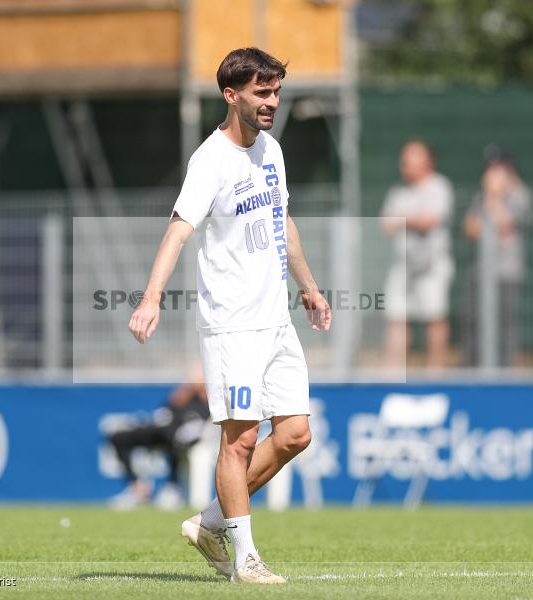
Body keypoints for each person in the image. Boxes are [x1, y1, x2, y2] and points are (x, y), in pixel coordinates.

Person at [128, 47, 331, 584]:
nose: (272, 102)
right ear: (231, 94)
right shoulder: (210, 161)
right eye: (262, 93)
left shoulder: (272, 150)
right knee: (238, 441)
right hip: (232, 325)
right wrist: (151, 298)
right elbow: (177, 230)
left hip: (277, 320)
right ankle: (245, 559)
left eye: (277, 92)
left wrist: (309, 288)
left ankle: (212, 522)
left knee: (294, 434)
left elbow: (282, 222)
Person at [380, 140, 454, 370]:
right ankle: (393, 372)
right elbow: (386, 222)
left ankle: (435, 372)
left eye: (412, 157)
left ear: (427, 161)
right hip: (402, 265)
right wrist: (412, 219)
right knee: (396, 318)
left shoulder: (439, 187)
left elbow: (429, 221)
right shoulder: (398, 191)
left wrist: (403, 219)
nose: (405, 163)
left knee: (435, 317)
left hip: (432, 264)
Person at [461, 148, 533, 367]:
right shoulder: (481, 194)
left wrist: (494, 196)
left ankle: (504, 370)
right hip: (481, 271)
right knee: (473, 322)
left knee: (504, 325)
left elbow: (503, 224)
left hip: (506, 272)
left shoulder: (521, 194)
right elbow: (471, 228)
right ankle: (471, 367)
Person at [108, 379, 210, 510]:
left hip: (179, 439)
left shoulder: (207, 406)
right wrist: (181, 396)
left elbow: (198, 430)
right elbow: (163, 415)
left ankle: (172, 486)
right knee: (118, 438)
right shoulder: (181, 398)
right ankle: (137, 486)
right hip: (160, 431)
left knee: (176, 441)